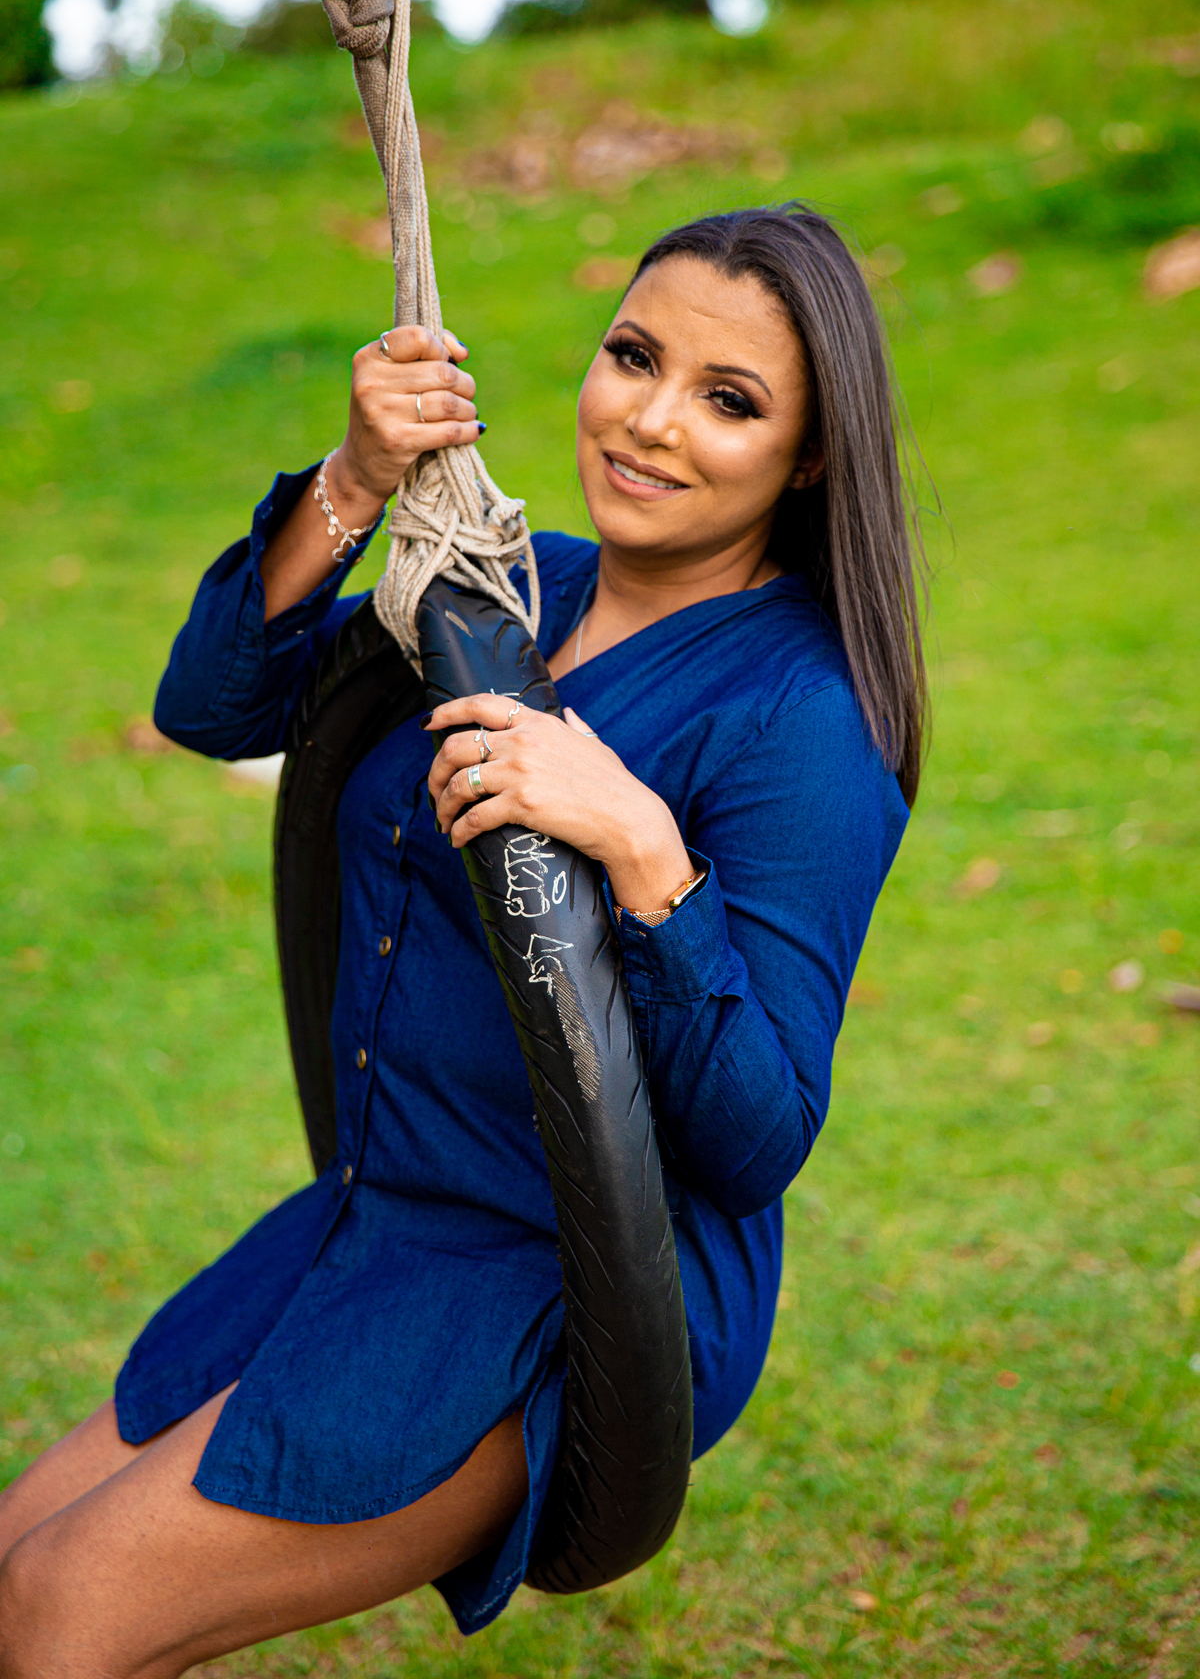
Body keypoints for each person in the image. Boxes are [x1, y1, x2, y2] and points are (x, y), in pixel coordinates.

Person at [0, 205, 926, 1676]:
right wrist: (359, 480)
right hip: (379, 1214)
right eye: (635, 356)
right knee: (14, 1577)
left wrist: (642, 845)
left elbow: (754, 1141)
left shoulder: (803, 722)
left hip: (568, 1288)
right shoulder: (503, 584)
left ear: (809, 458)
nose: (652, 420)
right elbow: (210, 710)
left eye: (730, 400)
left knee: (60, 1620)